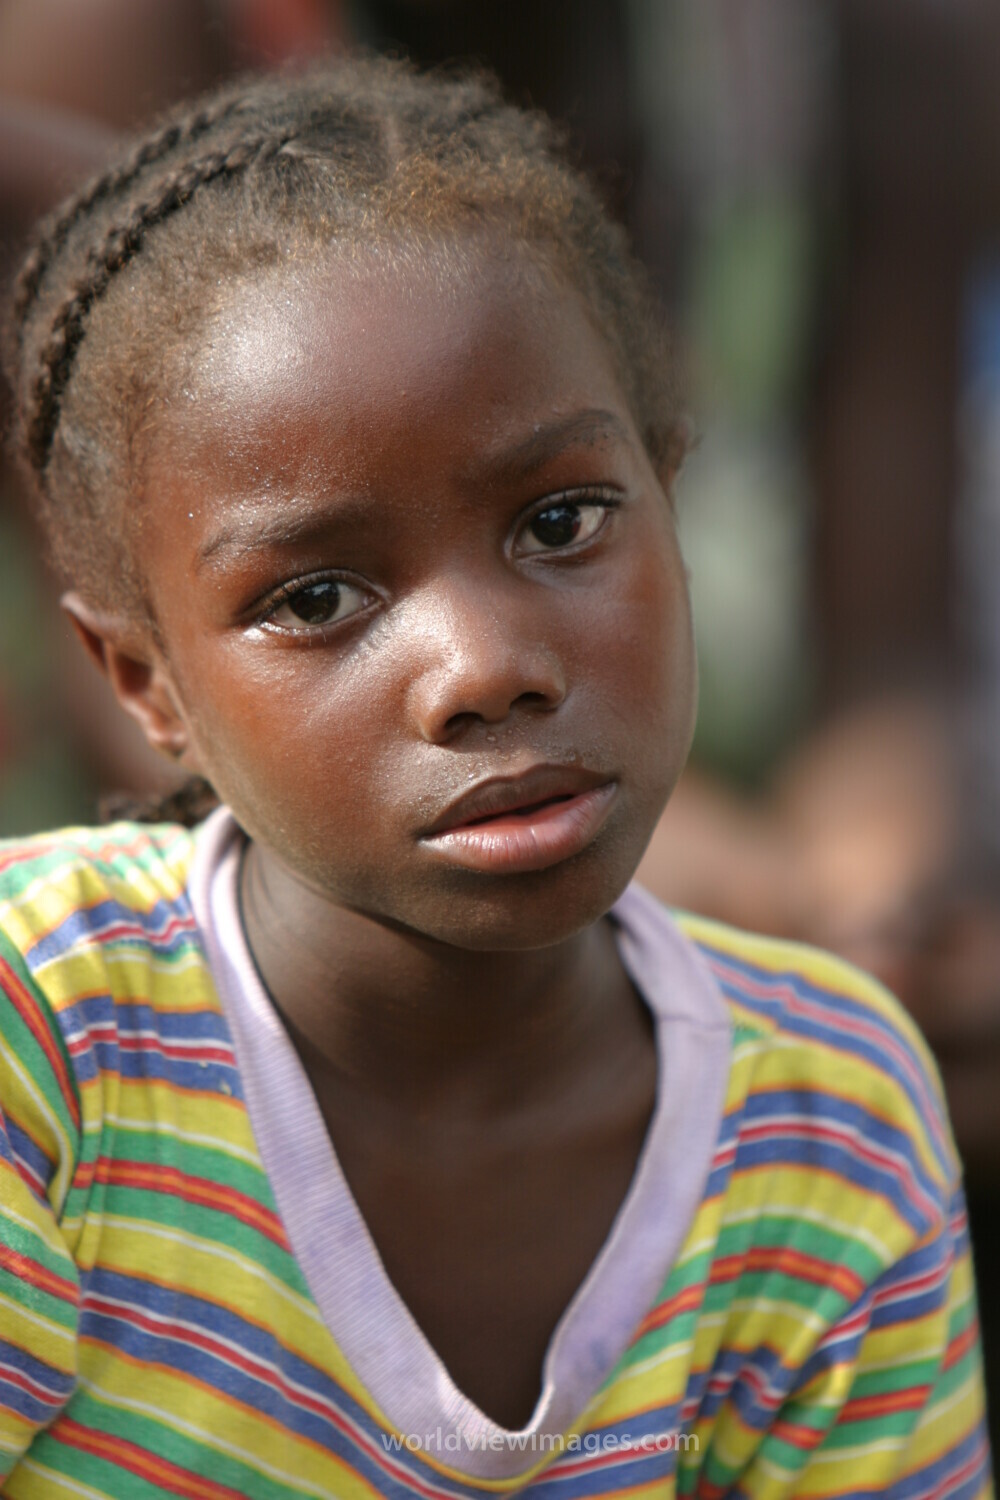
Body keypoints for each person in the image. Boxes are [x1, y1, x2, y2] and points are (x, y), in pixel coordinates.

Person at [0, 59, 990, 1498]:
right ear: (150, 688)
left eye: (563, 519)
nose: (486, 666)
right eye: (320, 597)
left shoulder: (829, 1122)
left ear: (673, 494)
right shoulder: (47, 1043)